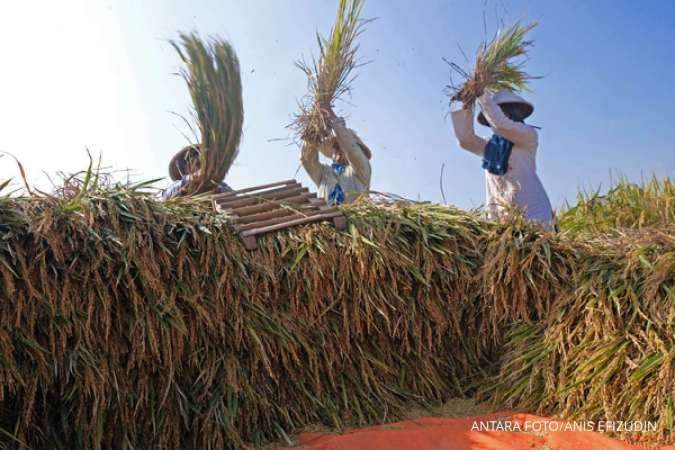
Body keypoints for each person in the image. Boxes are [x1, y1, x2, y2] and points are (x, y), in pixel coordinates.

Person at [451, 90, 553, 228]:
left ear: (513, 113)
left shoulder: (528, 136)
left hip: (534, 218)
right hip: (501, 222)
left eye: (503, 111)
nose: (499, 115)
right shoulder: (489, 147)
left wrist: (481, 94)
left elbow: (501, 125)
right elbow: (465, 140)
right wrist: (466, 105)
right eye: (496, 111)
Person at [300, 107, 372, 205]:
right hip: (328, 218)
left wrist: (333, 118)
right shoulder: (324, 173)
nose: (337, 150)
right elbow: (307, 160)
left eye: (340, 146)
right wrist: (314, 129)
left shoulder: (361, 170)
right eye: (335, 146)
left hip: (355, 218)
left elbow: (352, 152)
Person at [162, 144, 233, 200]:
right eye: (189, 160)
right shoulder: (178, 184)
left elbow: (233, 195)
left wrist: (217, 190)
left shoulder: (217, 183)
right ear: (185, 168)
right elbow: (165, 195)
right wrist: (191, 178)